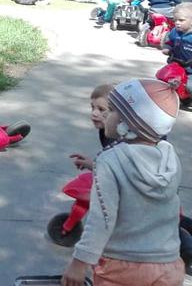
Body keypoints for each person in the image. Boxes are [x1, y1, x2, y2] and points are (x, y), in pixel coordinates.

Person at [61, 79, 183, 286]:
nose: (105, 116)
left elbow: (102, 219)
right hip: (169, 264)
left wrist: (79, 263)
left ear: (126, 123)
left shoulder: (109, 160)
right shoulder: (170, 158)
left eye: (111, 111)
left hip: (122, 267)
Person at [69, 83, 114, 170]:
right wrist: (92, 164)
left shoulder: (119, 140)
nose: (94, 113)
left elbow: (115, 173)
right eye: (93, 107)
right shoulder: (104, 130)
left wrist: (93, 166)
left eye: (101, 109)